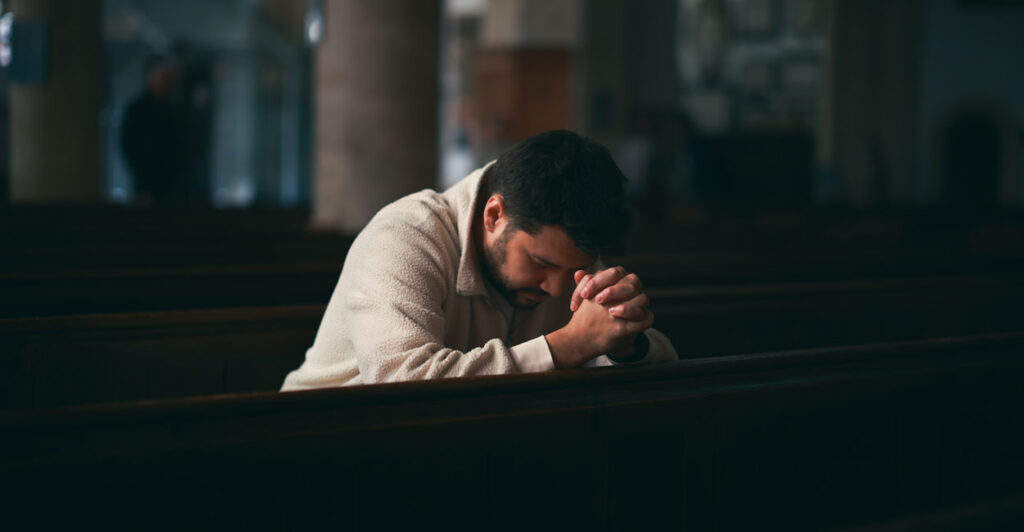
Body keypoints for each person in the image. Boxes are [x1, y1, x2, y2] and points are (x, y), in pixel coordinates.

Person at [282, 130, 678, 389]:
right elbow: (399, 382)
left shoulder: (565, 243)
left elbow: (662, 363)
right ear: (493, 216)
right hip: (312, 453)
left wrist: (624, 343)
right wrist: (568, 345)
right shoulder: (404, 236)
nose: (557, 288)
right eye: (541, 263)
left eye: (574, 268)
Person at [120, 58, 186, 206]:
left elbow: (179, 146)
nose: (163, 81)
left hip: (170, 184)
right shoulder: (138, 110)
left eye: (165, 77)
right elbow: (128, 144)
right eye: (159, 76)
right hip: (145, 180)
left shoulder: (172, 110)